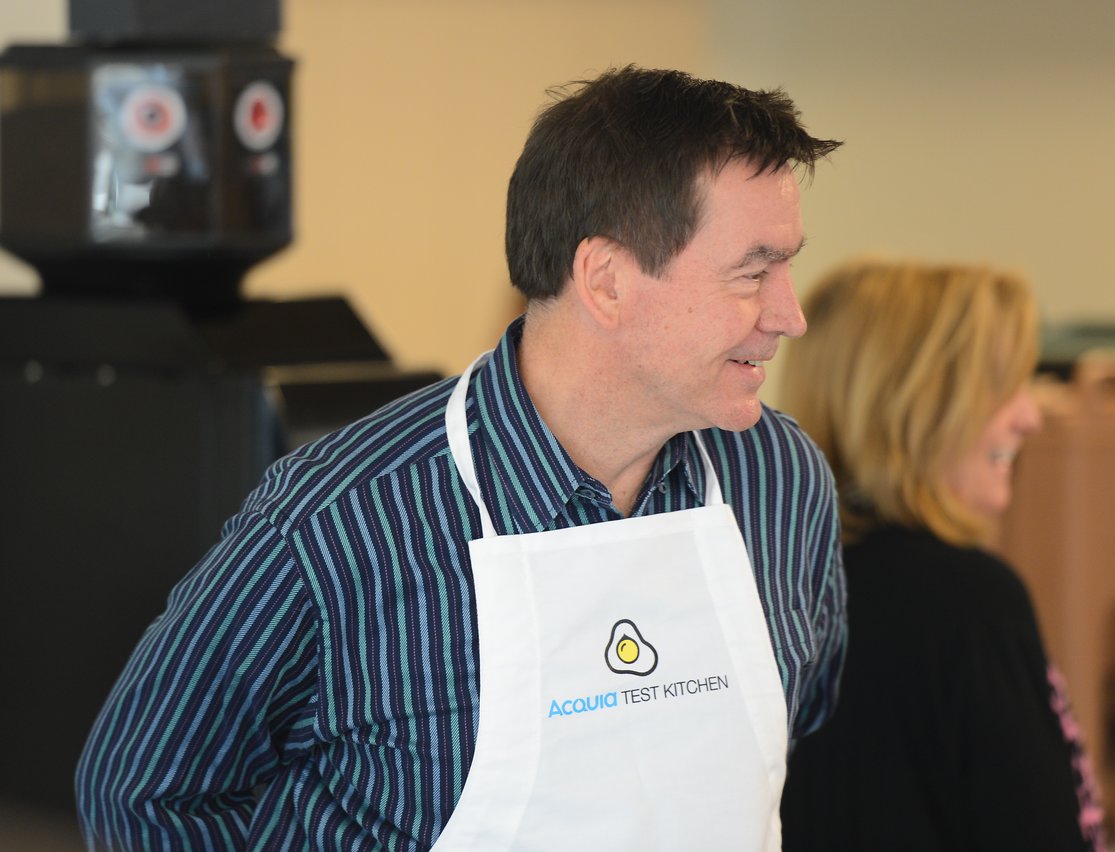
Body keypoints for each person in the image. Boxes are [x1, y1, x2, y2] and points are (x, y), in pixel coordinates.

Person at [75, 66, 846, 851]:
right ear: (606, 281)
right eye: (753, 273)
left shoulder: (779, 480)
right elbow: (144, 792)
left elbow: (795, 741)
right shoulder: (336, 521)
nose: (791, 316)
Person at [778, 259, 1107, 851]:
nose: (1030, 417)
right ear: (916, 404)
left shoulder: (771, 584)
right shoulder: (970, 605)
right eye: (1002, 387)